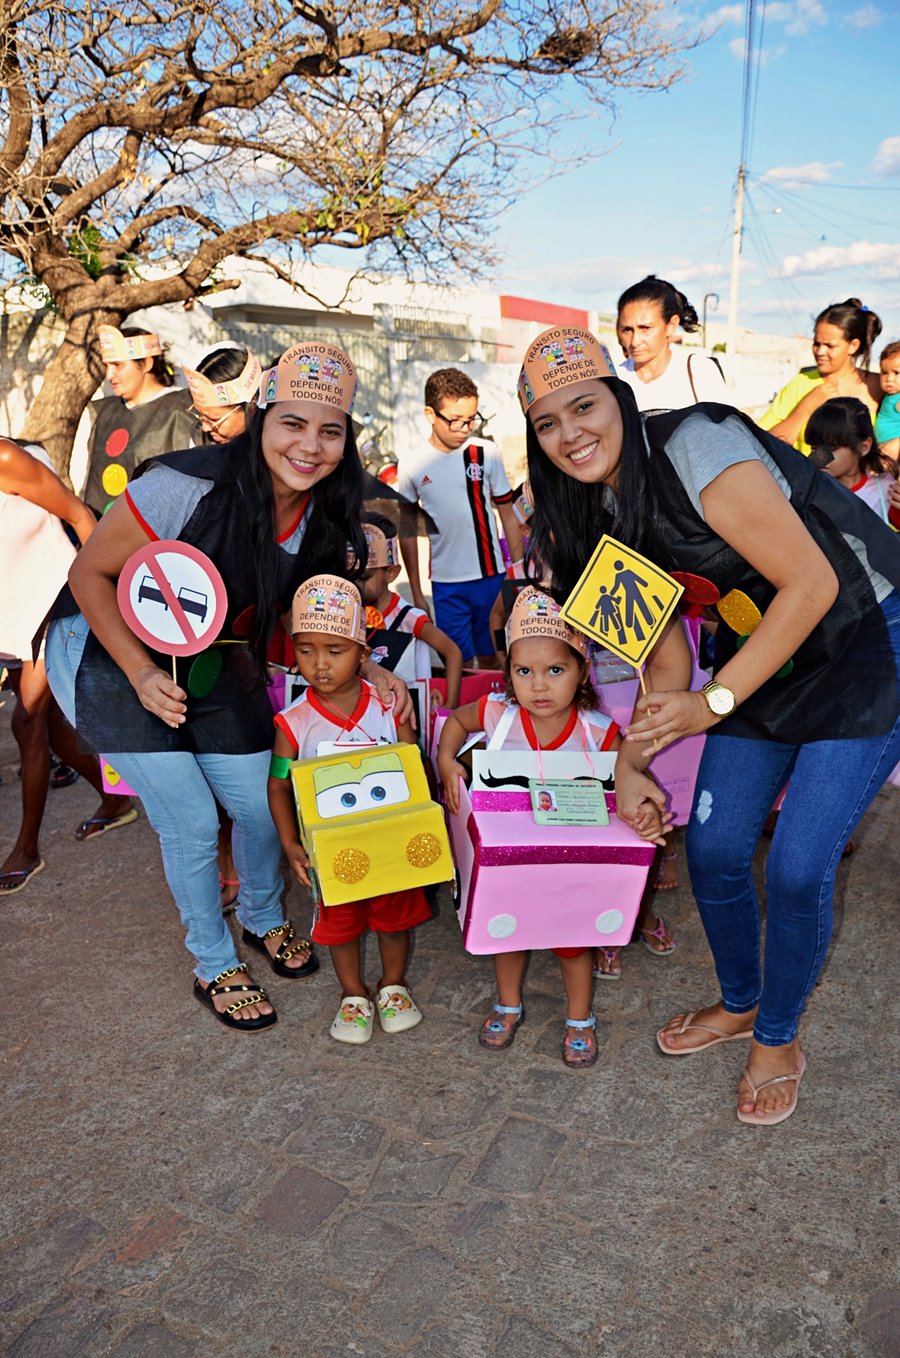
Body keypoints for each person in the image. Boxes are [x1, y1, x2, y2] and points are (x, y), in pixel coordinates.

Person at [518, 323, 900, 1125]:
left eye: (583, 406)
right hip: (763, 655)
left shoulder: (696, 442)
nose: (569, 434)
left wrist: (714, 703)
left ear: (619, 398)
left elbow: (812, 585)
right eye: (546, 422)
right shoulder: (590, 515)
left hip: (869, 633)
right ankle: (739, 1002)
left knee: (798, 865)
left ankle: (779, 1033)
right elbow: (662, 662)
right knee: (718, 847)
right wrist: (632, 763)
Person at [46, 341, 411, 1032]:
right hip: (107, 648)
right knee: (186, 817)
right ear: (261, 417)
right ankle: (214, 961)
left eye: (329, 431)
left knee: (260, 801)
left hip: (215, 655)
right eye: (292, 424)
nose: (310, 446)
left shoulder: (323, 519)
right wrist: (141, 672)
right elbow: (88, 575)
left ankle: (262, 919)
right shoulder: (185, 483)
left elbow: (298, 627)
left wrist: (372, 667)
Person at [438, 586, 665, 1069]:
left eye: (555, 671)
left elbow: (629, 781)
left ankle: (579, 1018)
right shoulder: (497, 713)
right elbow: (455, 723)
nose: (538, 686)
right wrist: (445, 761)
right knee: (508, 932)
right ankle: (507, 1003)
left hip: (570, 861)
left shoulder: (599, 730)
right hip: (509, 863)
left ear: (582, 670)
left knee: (573, 938)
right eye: (524, 672)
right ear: (508, 675)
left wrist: (641, 813)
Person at [267, 575, 430, 1045]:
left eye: (335, 651)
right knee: (339, 923)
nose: (319, 664)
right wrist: (289, 842)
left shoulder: (387, 705)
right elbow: (278, 786)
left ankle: (393, 985)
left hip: (391, 844)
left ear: (363, 653)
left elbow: (410, 765)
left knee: (394, 918)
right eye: (306, 650)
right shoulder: (293, 723)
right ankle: (353, 993)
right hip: (330, 850)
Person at [0, 438, 135, 894]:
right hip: (11, 612)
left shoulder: (6, 458)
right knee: (52, 726)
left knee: (27, 721)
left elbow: (79, 514)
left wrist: (102, 592)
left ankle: (26, 849)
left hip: (57, 598)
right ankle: (116, 799)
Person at [182, 344, 263, 910]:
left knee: (258, 762)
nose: (207, 426)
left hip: (266, 630)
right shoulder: (205, 461)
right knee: (213, 748)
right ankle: (227, 858)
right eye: (201, 416)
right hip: (206, 632)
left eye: (216, 415)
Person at [394, 367, 524, 667]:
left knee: (494, 659)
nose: (464, 428)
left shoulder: (486, 452)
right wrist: (416, 590)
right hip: (446, 584)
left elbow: (507, 514)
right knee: (460, 665)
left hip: (490, 579)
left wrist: (516, 571)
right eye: (455, 420)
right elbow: (408, 530)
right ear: (430, 414)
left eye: (471, 419)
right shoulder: (412, 464)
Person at [78, 326, 195, 515]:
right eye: (107, 366)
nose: (109, 376)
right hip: (102, 534)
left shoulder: (184, 409)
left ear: (146, 364)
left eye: (118, 365)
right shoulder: (100, 412)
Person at [359, 516, 464, 707]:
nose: (356, 584)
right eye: (351, 575)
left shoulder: (409, 617)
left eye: (365, 577)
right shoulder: (351, 611)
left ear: (390, 573)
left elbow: (453, 652)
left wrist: (450, 708)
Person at [758, 298, 882, 455]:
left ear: (853, 346)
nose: (820, 352)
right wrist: (805, 408)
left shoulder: (879, 386)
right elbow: (764, 446)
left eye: (830, 345)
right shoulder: (801, 384)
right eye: (816, 343)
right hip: (811, 478)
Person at [615, 275, 727, 410]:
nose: (635, 341)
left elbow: (725, 429)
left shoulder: (700, 371)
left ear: (671, 326)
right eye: (627, 330)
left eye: (645, 328)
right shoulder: (614, 380)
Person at [806, 397, 899, 526]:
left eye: (832, 448)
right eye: (814, 448)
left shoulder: (885, 491)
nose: (820, 456)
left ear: (863, 447)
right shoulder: (805, 488)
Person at [874, 340, 900, 462]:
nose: (889, 379)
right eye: (884, 373)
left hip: (893, 455)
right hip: (881, 453)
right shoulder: (889, 396)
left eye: (896, 373)